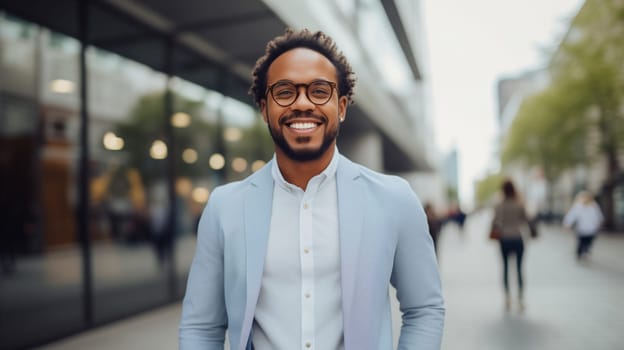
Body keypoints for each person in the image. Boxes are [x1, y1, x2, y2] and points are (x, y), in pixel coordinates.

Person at [179, 29, 444, 350]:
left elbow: (424, 309)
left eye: (319, 91)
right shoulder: (225, 206)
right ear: (264, 109)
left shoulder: (394, 199)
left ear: (342, 106)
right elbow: (201, 327)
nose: (302, 103)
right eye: (285, 91)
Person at [491, 179, 532, 312]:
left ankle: (507, 297)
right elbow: (527, 220)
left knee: (505, 268)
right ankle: (520, 298)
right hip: (517, 238)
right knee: (519, 268)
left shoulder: (499, 205)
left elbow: (495, 222)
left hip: (504, 239)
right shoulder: (519, 204)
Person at [563, 190, 604, 260]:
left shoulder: (594, 206)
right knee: (581, 241)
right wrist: (567, 223)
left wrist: (599, 222)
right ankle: (579, 253)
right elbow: (572, 215)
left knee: (589, 241)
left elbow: (598, 216)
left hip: (592, 228)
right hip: (582, 228)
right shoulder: (578, 206)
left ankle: (586, 251)